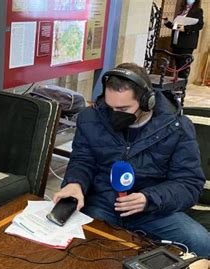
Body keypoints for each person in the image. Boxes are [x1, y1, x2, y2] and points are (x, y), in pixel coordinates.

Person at [53, 63, 210, 257]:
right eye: (110, 107)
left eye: (123, 108)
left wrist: (149, 199)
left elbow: (189, 184)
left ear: (147, 101)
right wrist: (75, 183)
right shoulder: (91, 119)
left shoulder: (177, 128)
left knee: (202, 242)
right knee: (73, 251)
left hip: (152, 211)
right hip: (102, 205)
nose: (114, 115)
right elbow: (82, 161)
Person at [164, 0, 204, 78]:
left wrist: (185, 28)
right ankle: (177, 83)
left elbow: (200, 25)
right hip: (177, 42)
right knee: (178, 64)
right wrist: (167, 22)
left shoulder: (198, 11)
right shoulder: (182, 10)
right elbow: (176, 26)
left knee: (183, 66)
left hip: (187, 43)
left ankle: (181, 86)